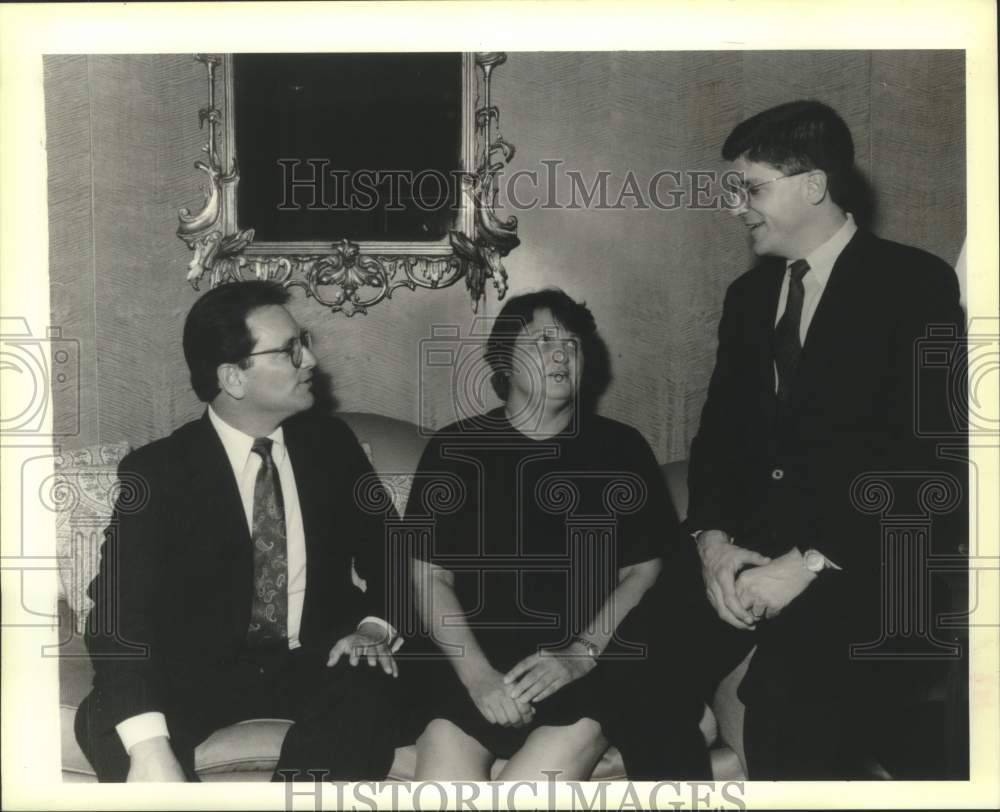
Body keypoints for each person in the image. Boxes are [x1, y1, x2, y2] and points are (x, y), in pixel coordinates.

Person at [682, 100, 966, 778]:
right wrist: (713, 545)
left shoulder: (915, 283)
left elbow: (929, 462)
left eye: (750, 188)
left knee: (789, 709)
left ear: (813, 184)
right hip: (745, 560)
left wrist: (805, 564)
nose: (736, 207)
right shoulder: (747, 300)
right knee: (633, 666)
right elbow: (718, 439)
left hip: (863, 567)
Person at [75, 281, 402, 782]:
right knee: (106, 721)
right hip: (195, 672)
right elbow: (120, 613)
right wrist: (149, 749)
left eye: (305, 340)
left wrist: (372, 628)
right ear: (233, 378)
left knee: (375, 688)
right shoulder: (159, 472)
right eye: (290, 350)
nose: (311, 360)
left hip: (317, 656)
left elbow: (393, 552)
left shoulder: (331, 445)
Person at [405, 288, 708, 780]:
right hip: (476, 667)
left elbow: (646, 569)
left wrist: (580, 655)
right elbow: (428, 578)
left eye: (574, 343)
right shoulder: (455, 449)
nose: (563, 352)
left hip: (588, 667)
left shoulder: (621, 449)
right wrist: (479, 678)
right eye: (544, 340)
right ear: (503, 359)